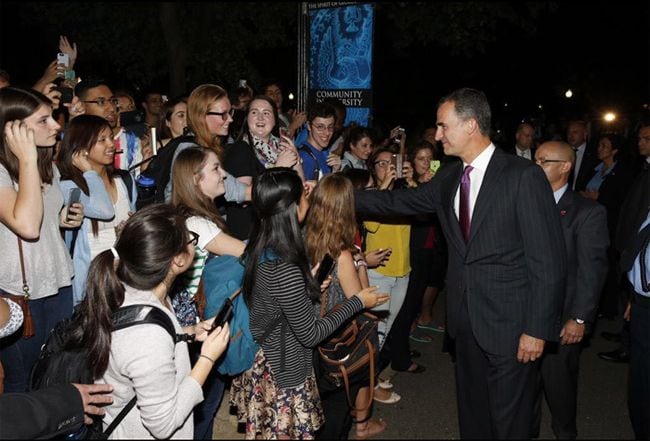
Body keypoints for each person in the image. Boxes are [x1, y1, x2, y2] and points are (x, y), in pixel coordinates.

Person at [355, 88, 567, 438]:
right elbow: (397, 203)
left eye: (443, 126)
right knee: (472, 413)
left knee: (510, 421)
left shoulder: (522, 176)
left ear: (470, 125)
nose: (437, 136)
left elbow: (548, 260)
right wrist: (337, 196)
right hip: (465, 322)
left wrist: (537, 329)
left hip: (512, 326)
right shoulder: (450, 176)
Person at [230, 167, 388, 439]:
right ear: (292, 207)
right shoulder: (286, 265)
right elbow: (310, 333)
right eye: (304, 195)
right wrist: (358, 302)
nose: (309, 201)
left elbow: (274, 302)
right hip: (286, 369)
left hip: (267, 357)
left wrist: (308, 287)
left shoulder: (261, 245)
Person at [72, 203, 230, 439]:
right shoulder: (147, 335)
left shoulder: (127, 287)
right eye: (191, 239)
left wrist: (187, 332)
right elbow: (163, 425)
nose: (193, 244)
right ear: (177, 261)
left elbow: (135, 341)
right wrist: (207, 358)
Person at [0, 87, 84, 393]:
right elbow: (26, 225)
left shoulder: (44, 163)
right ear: (13, 129)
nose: (57, 125)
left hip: (58, 281)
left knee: (54, 371)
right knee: (23, 381)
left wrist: (62, 220)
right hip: (19, 291)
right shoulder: (4, 169)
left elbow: (41, 220)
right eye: (44, 120)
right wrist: (25, 157)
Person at [531, 141, 609, 439]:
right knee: (525, 391)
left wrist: (579, 318)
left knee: (559, 388)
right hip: (524, 314)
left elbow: (593, 269)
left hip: (562, 318)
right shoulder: (524, 202)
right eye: (534, 160)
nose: (536, 167)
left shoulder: (587, 212)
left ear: (565, 166)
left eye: (543, 161)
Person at [171, 146, 246, 439]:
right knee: (199, 405)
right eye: (215, 168)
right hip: (194, 327)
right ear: (195, 178)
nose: (224, 174)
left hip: (185, 323)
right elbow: (248, 253)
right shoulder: (198, 223)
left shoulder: (186, 215)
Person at [304, 173, 386, 440]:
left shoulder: (301, 237)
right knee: (334, 415)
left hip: (304, 340)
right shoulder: (341, 253)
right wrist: (360, 262)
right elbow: (359, 300)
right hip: (332, 344)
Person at [57, 114, 137, 306]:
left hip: (126, 274)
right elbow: (105, 210)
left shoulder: (124, 180)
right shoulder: (69, 185)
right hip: (91, 281)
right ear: (81, 148)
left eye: (111, 137)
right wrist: (90, 173)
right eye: (102, 140)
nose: (111, 144)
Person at [598, 124, 650, 364]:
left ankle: (628, 345)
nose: (640, 142)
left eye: (646, 138)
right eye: (639, 137)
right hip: (629, 243)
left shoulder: (633, 170)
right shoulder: (643, 166)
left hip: (638, 248)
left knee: (635, 294)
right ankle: (626, 334)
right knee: (630, 294)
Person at [223, 94, 304, 240]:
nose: (260, 118)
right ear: (247, 119)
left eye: (266, 113)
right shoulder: (240, 150)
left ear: (275, 121)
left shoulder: (281, 147)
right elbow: (244, 199)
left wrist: (296, 159)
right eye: (254, 112)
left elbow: (300, 189)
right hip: (251, 237)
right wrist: (278, 167)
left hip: (280, 231)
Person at [75, 79, 153, 176]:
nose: (112, 108)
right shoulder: (70, 143)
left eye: (112, 101)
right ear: (80, 105)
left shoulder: (133, 141)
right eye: (101, 102)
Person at [298, 101, 342, 181]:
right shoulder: (305, 158)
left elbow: (329, 190)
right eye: (320, 127)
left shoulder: (325, 152)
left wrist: (336, 171)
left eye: (330, 127)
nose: (327, 133)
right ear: (308, 126)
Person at [566, 120, 598, 191]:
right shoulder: (562, 151)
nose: (570, 135)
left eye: (575, 132)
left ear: (585, 134)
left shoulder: (594, 153)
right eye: (569, 132)